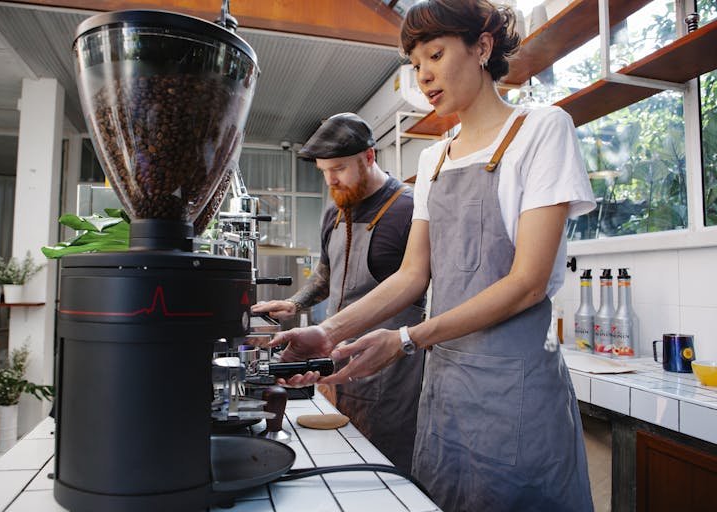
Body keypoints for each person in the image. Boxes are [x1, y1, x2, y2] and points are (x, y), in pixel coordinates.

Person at [266, 1, 597, 511]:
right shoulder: (433, 157)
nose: (424, 75)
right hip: (445, 396)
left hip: (515, 394)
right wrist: (326, 332)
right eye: (415, 64)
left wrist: (406, 338)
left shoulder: (541, 130)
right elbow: (412, 275)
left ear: (482, 47)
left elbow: (527, 281)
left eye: (436, 55)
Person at [251, 112, 426, 473]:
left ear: (369, 157)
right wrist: (294, 302)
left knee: (388, 469)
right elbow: (327, 274)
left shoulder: (410, 208)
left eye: (339, 168)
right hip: (334, 361)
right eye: (323, 171)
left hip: (391, 372)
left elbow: (419, 283)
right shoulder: (334, 210)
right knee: (342, 462)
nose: (331, 179)